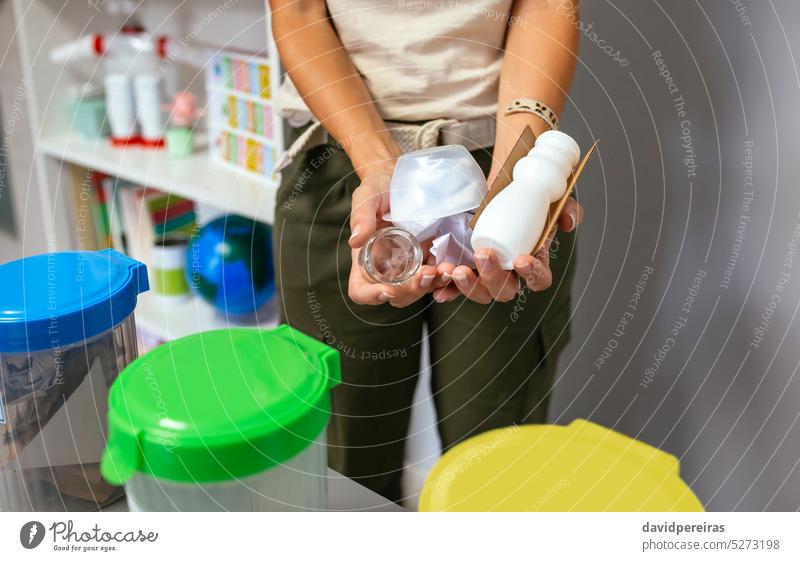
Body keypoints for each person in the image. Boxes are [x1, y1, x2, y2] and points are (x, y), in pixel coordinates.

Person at [270, 0, 583, 503]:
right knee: (345, 459)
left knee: (495, 466)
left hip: (500, 157)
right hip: (340, 161)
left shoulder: (510, 184)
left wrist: (513, 174)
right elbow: (298, 10)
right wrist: (378, 165)